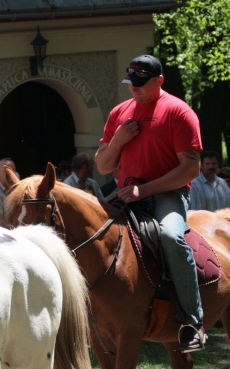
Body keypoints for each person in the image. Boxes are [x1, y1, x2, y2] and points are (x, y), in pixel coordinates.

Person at [94, 54, 205, 353]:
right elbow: (104, 166)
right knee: (89, 234)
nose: (134, 89)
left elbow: (190, 169)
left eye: (141, 83)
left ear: (160, 81)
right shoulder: (120, 112)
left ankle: (193, 323)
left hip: (167, 194)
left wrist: (145, 192)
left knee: (170, 235)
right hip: (124, 192)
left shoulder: (179, 113)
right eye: (131, 83)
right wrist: (117, 141)